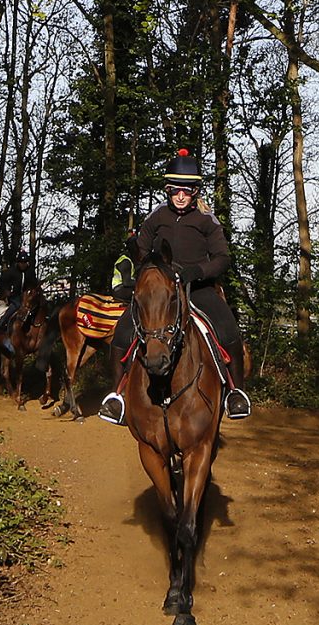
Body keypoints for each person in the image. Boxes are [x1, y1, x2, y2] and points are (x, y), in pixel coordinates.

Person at [99, 148, 253, 423]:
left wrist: (196, 271)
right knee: (123, 332)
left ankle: (235, 392)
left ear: (195, 192)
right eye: (175, 190)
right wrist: (147, 270)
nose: (180, 196)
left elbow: (222, 258)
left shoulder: (208, 220)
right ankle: (117, 396)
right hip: (161, 290)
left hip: (198, 287)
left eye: (187, 190)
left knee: (228, 328)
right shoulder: (157, 216)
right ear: (168, 190)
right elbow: (141, 247)